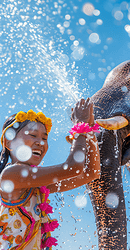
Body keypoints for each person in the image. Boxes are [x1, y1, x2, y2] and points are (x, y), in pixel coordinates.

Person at [0, 98, 101, 250]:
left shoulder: (36, 185)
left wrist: (90, 128)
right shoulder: (11, 174)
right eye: (33, 135)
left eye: (44, 138)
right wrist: (80, 126)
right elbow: (73, 168)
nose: (40, 142)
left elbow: (91, 173)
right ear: (8, 143)